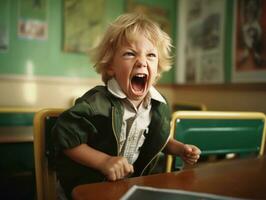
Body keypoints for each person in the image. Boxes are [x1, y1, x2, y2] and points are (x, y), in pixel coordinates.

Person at [52, 13, 201, 199]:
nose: (141, 61)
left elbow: (157, 137)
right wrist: (103, 161)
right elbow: (64, 137)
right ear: (111, 66)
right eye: (130, 54)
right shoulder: (96, 103)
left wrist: (179, 148)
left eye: (151, 55)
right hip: (86, 188)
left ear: (158, 68)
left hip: (129, 187)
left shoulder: (158, 106)